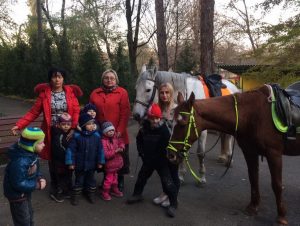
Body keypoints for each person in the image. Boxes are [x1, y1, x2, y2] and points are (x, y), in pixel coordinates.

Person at [10, 67, 82, 198]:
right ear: (50, 79)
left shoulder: (70, 92)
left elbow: (76, 110)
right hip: (52, 132)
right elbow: (33, 112)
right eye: (54, 77)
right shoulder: (45, 94)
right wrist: (19, 125)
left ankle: (67, 184)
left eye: (59, 76)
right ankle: (56, 185)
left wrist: (73, 127)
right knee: (54, 159)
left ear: (63, 78)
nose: (57, 79)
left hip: (68, 131)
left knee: (69, 156)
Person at [127, 104, 179, 218]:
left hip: (162, 161)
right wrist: (141, 153)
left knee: (168, 182)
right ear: (148, 118)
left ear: (160, 118)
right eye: (152, 118)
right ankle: (137, 194)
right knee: (141, 177)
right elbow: (139, 141)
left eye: (157, 118)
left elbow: (168, 146)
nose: (155, 120)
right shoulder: (143, 129)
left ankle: (173, 204)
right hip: (148, 160)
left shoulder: (164, 130)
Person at [89, 69, 131, 192]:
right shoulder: (95, 93)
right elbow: (90, 111)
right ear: (102, 79)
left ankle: (120, 180)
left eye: (112, 78)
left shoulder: (122, 92)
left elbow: (125, 113)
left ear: (116, 80)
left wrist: (119, 130)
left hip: (118, 132)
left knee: (119, 156)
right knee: (104, 157)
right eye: (106, 77)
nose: (109, 80)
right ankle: (106, 179)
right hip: (100, 133)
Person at [3, 127, 47, 226]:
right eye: (41, 143)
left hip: (25, 192)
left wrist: (39, 177)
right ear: (31, 145)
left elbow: (35, 169)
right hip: (17, 196)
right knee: (22, 219)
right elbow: (18, 183)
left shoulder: (31, 154)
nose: (44, 145)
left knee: (28, 214)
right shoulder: (20, 161)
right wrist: (37, 185)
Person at [65, 113, 105, 206]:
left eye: (93, 123)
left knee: (91, 180)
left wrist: (100, 161)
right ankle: (76, 196)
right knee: (79, 180)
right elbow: (71, 150)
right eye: (89, 123)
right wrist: (70, 162)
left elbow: (100, 150)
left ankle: (90, 194)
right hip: (80, 165)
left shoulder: (97, 136)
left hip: (92, 164)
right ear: (83, 125)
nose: (92, 125)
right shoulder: (77, 136)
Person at [153, 83, 181, 208]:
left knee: (173, 173)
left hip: (173, 148)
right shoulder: (158, 108)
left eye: (167, 92)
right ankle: (165, 192)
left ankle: (173, 197)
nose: (164, 95)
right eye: (162, 93)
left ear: (171, 93)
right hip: (160, 147)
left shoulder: (177, 109)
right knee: (164, 173)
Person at [50, 112, 73, 203]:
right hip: (59, 161)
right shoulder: (58, 135)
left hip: (67, 161)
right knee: (59, 177)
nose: (66, 126)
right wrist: (69, 155)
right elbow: (58, 149)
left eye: (68, 124)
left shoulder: (68, 134)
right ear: (59, 125)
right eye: (63, 124)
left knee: (67, 176)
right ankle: (56, 193)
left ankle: (65, 191)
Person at [101, 121, 125, 201]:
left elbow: (121, 142)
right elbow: (106, 154)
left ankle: (114, 189)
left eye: (112, 130)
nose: (111, 132)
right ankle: (105, 192)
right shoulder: (103, 141)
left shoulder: (115, 137)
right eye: (109, 131)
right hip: (110, 165)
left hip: (117, 164)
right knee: (108, 180)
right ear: (105, 132)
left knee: (115, 179)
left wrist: (121, 147)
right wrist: (115, 151)